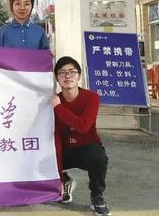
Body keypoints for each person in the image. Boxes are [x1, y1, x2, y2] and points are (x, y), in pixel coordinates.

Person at [51, 56, 111, 216]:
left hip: (87, 147)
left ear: (79, 76)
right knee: (38, 155)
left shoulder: (91, 97)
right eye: (62, 73)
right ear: (57, 78)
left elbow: (83, 126)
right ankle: (65, 180)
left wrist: (58, 108)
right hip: (65, 149)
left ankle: (97, 196)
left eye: (72, 72)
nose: (67, 76)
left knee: (98, 158)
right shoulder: (55, 100)